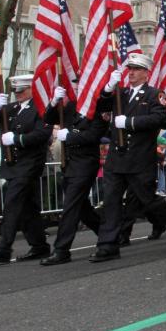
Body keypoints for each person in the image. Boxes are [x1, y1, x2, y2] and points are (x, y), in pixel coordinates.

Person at [88, 54, 166, 262]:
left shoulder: (153, 94)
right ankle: (108, 246)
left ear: (145, 72)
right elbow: (101, 107)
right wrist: (108, 88)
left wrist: (130, 122)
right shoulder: (120, 93)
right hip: (117, 158)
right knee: (112, 201)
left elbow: (159, 118)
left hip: (139, 158)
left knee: (148, 200)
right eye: (129, 68)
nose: (130, 72)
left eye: (135, 69)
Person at [0, 75, 53, 263]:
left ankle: (4, 247)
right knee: (27, 208)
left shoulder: (40, 108)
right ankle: (39, 245)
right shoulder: (11, 108)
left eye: (22, 91)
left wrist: (16, 139)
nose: (19, 94)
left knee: (12, 203)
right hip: (13, 164)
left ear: (32, 89)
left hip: (29, 164)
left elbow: (42, 134)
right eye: (16, 91)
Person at [39, 84, 109, 265]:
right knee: (82, 206)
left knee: (70, 205)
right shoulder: (70, 106)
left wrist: (69, 136)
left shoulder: (97, 107)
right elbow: (48, 118)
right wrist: (54, 101)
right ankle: (107, 234)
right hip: (69, 163)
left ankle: (62, 250)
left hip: (85, 162)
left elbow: (95, 135)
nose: (76, 89)